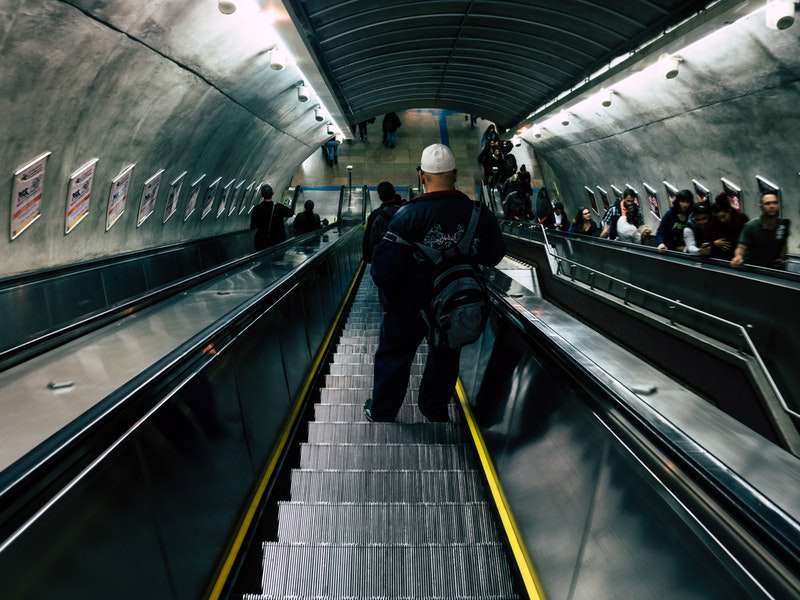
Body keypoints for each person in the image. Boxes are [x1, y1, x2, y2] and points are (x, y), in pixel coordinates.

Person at [366, 144, 505, 422]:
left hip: (407, 306)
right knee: (445, 355)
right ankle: (434, 408)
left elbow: (381, 271)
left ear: (421, 175)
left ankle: (383, 411)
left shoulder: (404, 217)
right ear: (454, 174)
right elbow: (495, 254)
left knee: (394, 356)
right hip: (454, 304)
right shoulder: (477, 213)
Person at [731, 192, 791, 269]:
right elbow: (741, 247)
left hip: (775, 269)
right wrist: (738, 256)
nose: (772, 206)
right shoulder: (751, 226)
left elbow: (783, 244)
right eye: (767, 203)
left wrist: (782, 258)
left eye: (775, 203)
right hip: (755, 270)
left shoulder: (783, 224)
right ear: (761, 207)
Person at [363, 181, 405, 263]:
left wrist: (368, 258)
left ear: (380, 196)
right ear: (394, 192)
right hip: (403, 260)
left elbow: (369, 239)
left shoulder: (375, 215)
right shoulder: (406, 210)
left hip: (382, 261)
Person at [250, 183, 293, 249]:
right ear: (272, 193)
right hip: (277, 241)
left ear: (262, 195)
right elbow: (291, 213)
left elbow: (252, 226)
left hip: (261, 241)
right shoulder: (279, 207)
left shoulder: (257, 208)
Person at [706, 193, 748, 260]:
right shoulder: (714, 222)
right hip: (720, 258)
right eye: (719, 218)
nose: (722, 220)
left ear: (729, 211)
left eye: (723, 216)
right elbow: (707, 239)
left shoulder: (741, 219)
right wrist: (714, 243)